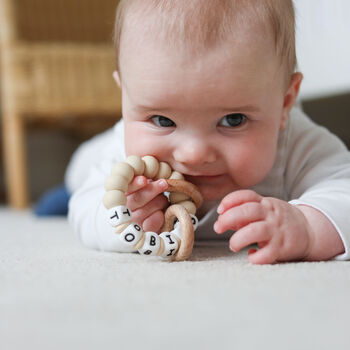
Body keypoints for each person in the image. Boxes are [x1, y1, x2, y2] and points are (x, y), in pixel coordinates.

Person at [68, 0, 350, 264]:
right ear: (125, 99)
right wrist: (121, 218)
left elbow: (344, 190)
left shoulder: (297, 143)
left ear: (284, 104)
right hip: (98, 154)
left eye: (233, 120)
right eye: (163, 120)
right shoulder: (128, 161)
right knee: (80, 171)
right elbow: (83, 210)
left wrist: (308, 226)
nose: (194, 154)